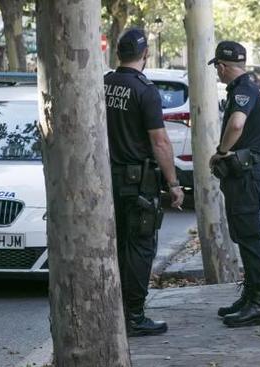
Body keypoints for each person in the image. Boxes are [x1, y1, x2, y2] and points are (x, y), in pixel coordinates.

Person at [104, 28, 185, 337]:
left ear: (117, 53)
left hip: (107, 179)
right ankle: (134, 316)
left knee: (116, 246)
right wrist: (174, 183)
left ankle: (115, 311)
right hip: (137, 183)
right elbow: (160, 142)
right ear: (146, 54)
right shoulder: (145, 90)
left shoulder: (104, 84)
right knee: (139, 247)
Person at [208, 41, 260, 328]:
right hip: (245, 173)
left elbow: (236, 124)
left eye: (218, 68)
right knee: (244, 236)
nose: (218, 74)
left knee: (250, 237)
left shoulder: (244, 90)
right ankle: (250, 297)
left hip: (246, 174)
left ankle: (259, 304)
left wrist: (221, 152)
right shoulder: (249, 87)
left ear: (222, 66)